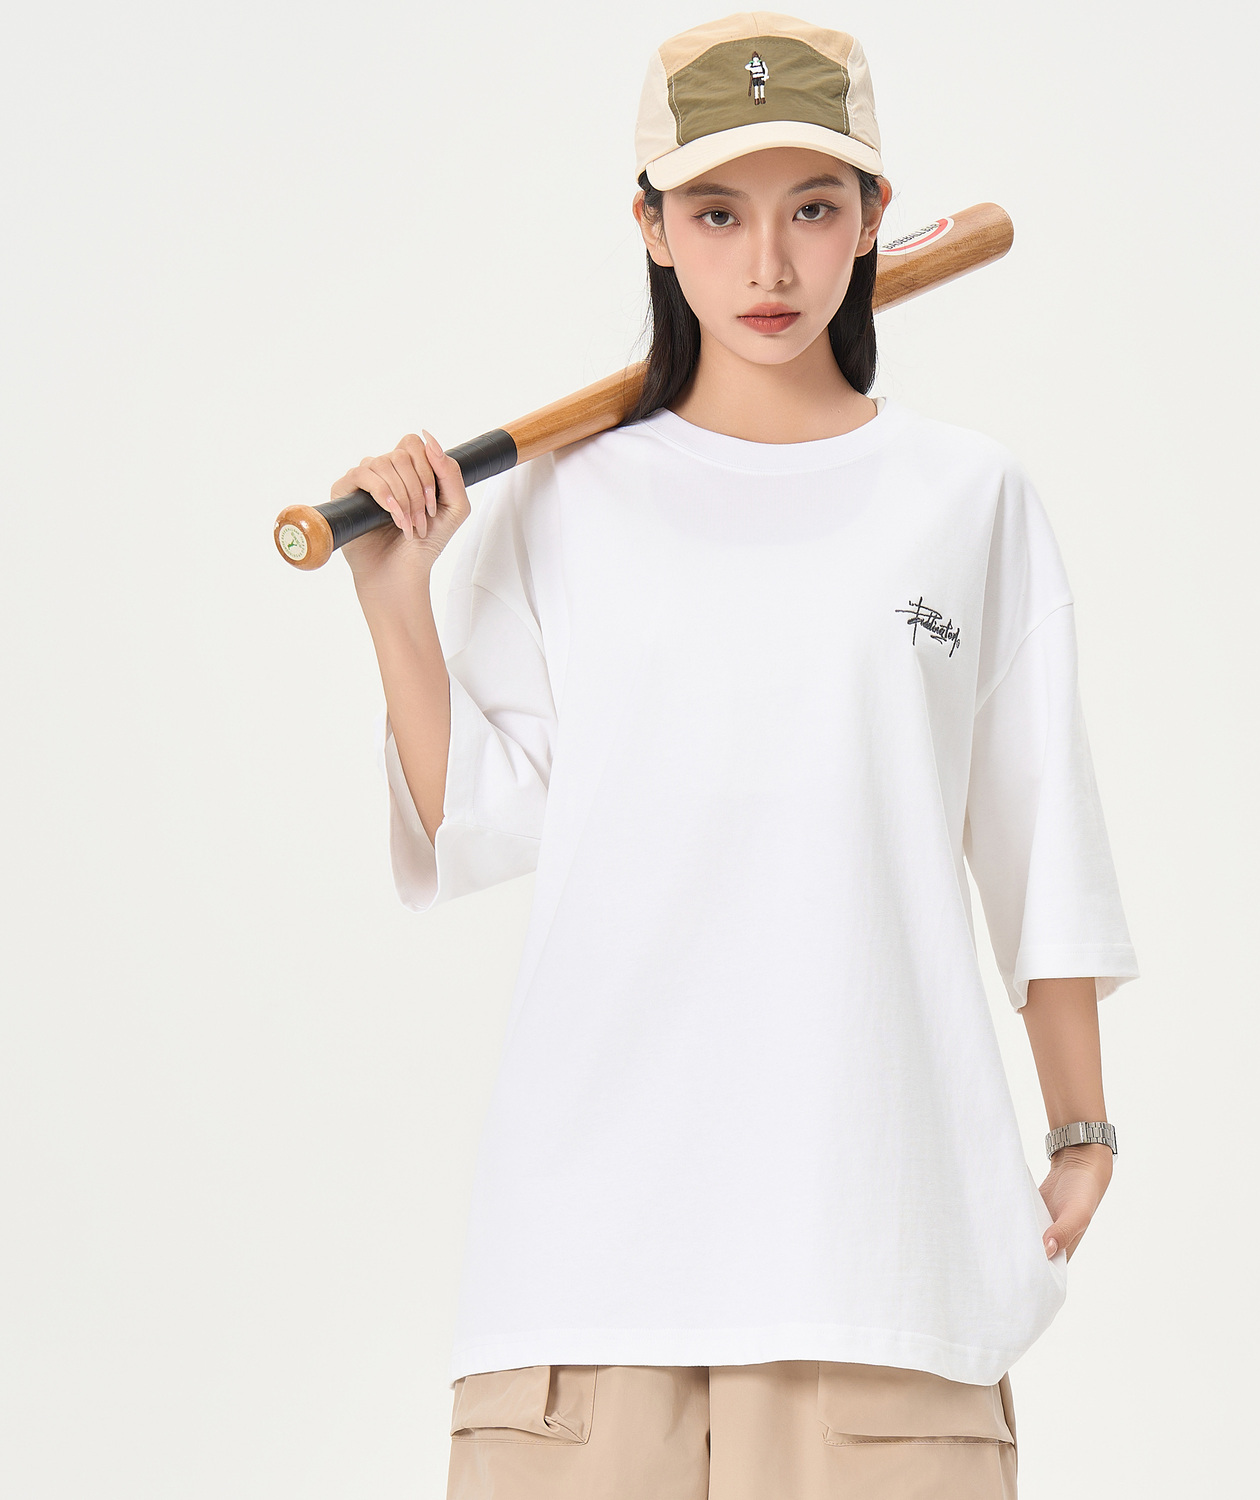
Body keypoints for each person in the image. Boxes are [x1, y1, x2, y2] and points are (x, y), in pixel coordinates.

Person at [336, 12, 1138, 1499]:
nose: (768, 265)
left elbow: (1039, 837)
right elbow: (478, 825)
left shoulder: (965, 498)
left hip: (885, 1265)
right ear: (650, 226)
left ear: (874, 216)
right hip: (584, 1277)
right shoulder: (566, 503)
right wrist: (397, 600)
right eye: (716, 213)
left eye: (811, 208)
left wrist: (1081, 1128)